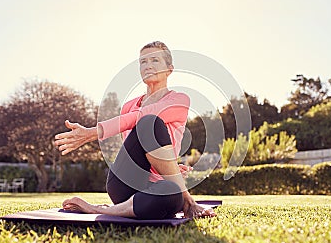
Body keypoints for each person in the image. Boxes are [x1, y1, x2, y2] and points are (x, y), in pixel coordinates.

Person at [54, 41, 216, 219]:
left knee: (171, 192)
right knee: (148, 123)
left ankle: (99, 210)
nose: (148, 66)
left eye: (155, 60)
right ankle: (188, 202)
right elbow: (136, 148)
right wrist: (92, 133)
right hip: (124, 184)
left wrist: (169, 168)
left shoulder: (179, 100)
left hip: (158, 187)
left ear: (169, 69)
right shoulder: (129, 106)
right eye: (143, 62)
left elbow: (145, 120)